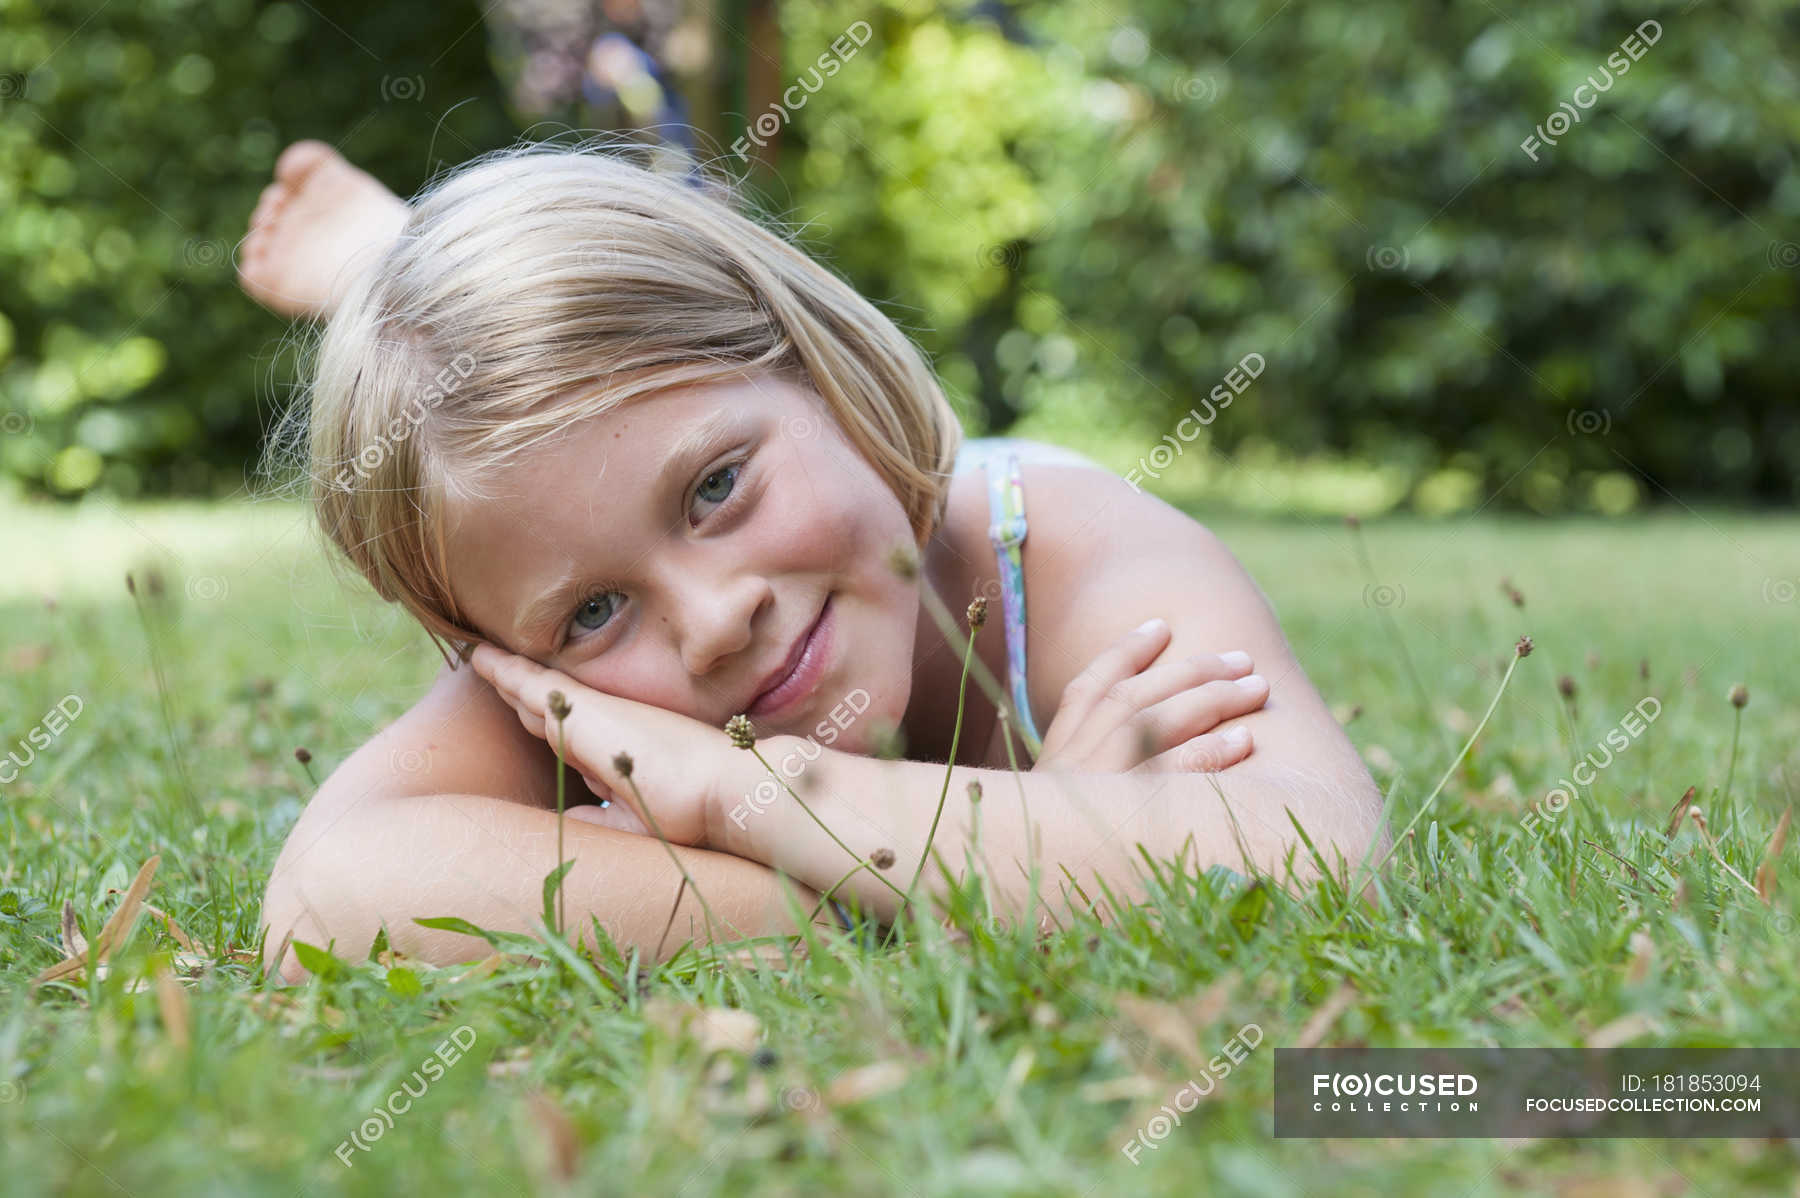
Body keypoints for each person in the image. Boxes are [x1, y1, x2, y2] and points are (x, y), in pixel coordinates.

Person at [242, 139, 1386, 980]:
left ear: (814, 365)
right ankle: (401, 273)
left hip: (943, 495)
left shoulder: (1079, 552)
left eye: (716, 487)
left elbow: (1320, 860)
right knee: (465, 401)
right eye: (594, 610)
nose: (713, 621)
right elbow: (325, 900)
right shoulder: (559, 678)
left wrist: (742, 793)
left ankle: (392, 252)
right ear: (500, 653)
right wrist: (1019, 851)